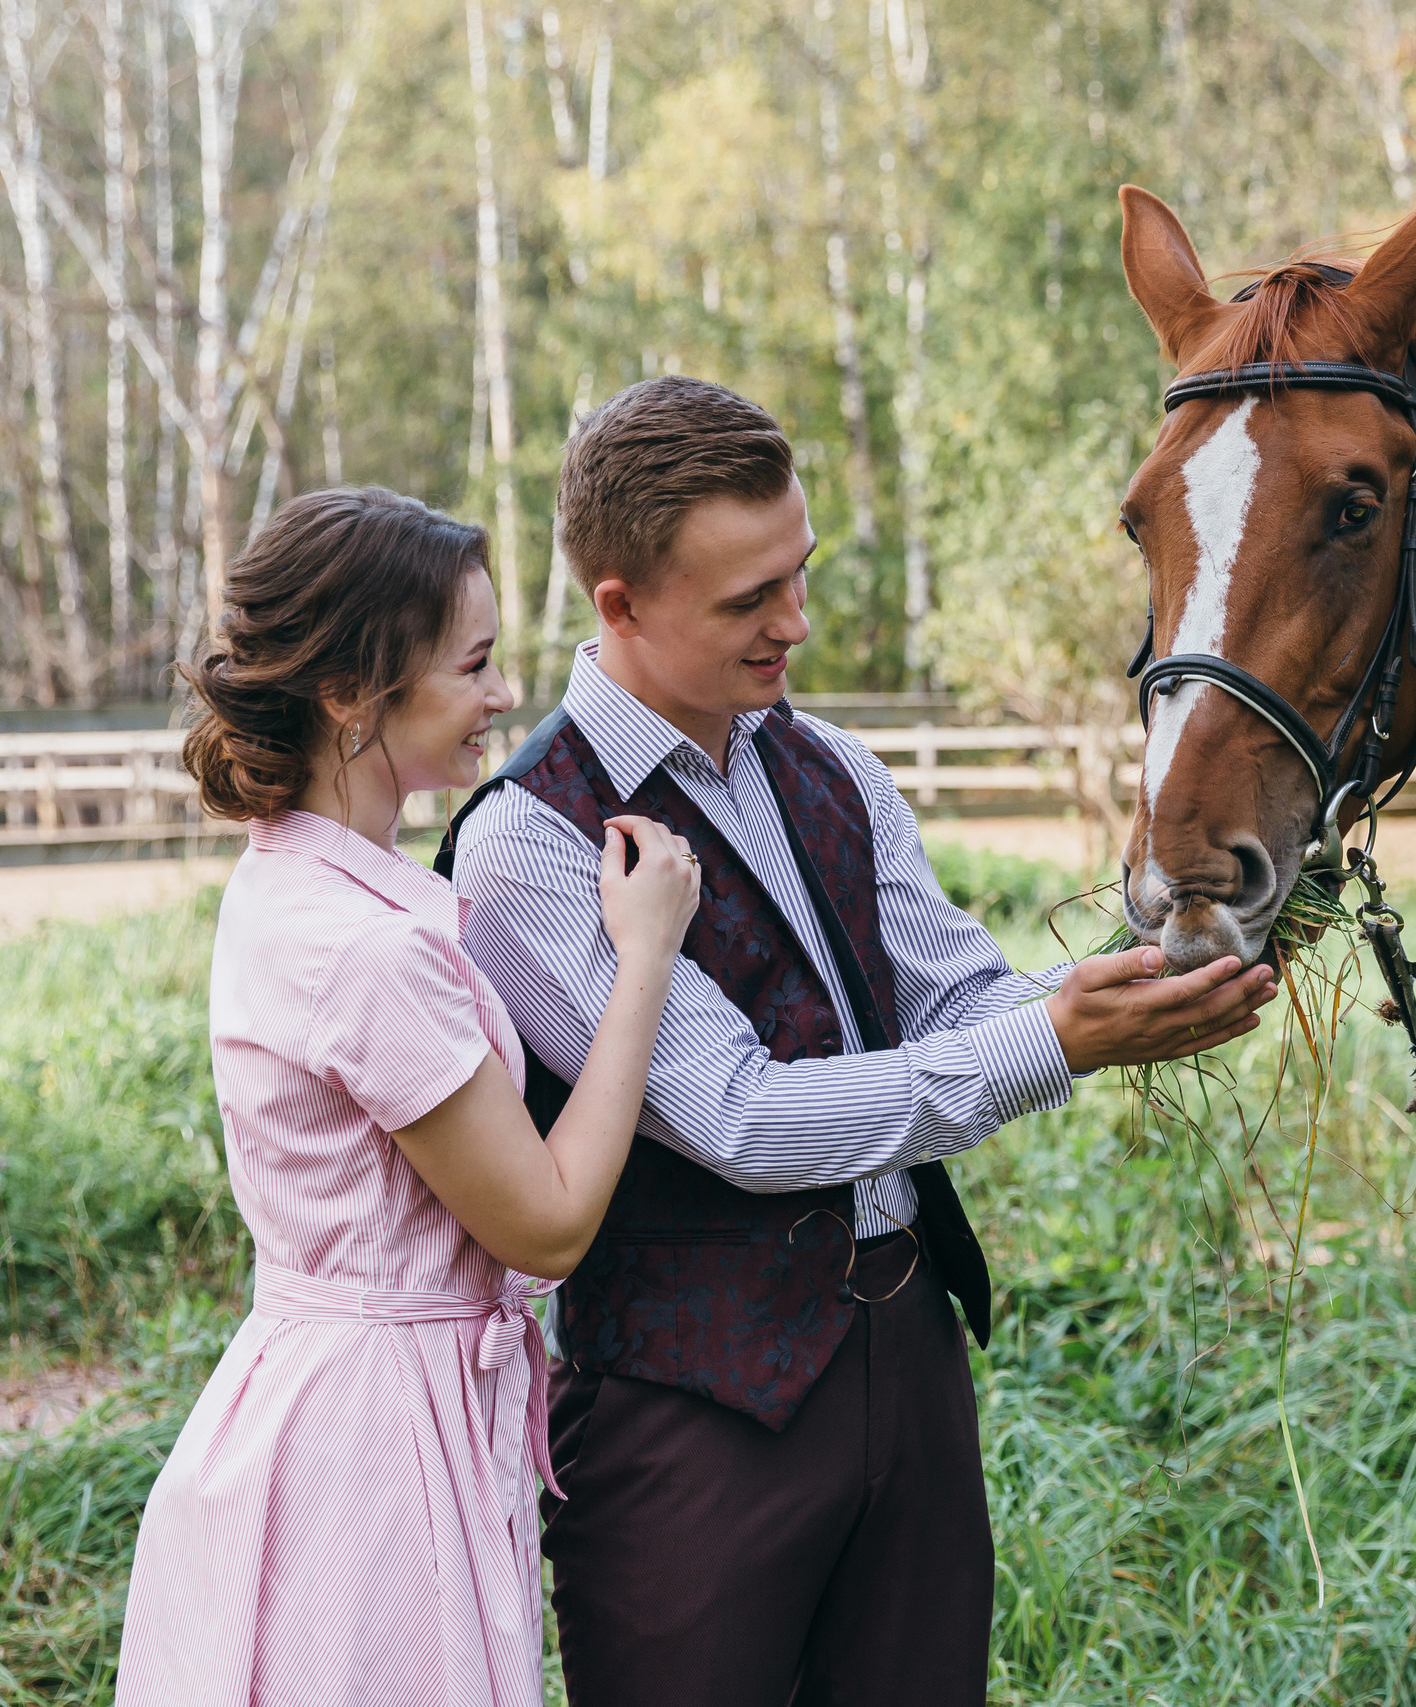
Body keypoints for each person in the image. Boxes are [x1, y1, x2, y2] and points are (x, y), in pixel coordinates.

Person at [445, 375, 1277, 1707]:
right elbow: (741, 1119)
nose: (798, 622)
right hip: (691, 1421)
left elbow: (959, 1003)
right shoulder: (528, 841)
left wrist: (1131, 988)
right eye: (747, 601)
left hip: (912, 1360)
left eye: (800, 572)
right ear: (621, 604)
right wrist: (1060, 1039)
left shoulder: (829, 763)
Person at [116, 487, 702, 1707]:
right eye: (474, 665)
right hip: (377, 1449)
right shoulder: (370, 951)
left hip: (320, 1395)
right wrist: (643, 958)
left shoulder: (292, 882)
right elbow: (543, 1222)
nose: (500, 697)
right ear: (349, 694)